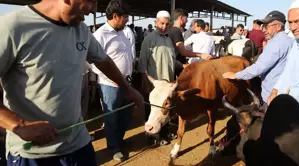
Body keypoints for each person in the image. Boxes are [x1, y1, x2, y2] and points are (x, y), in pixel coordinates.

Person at [0, 0, 144, 165]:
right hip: (33, 153)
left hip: (78, 145)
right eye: (90, 1)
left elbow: (103, 60)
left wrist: (126, 88)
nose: (94, 10)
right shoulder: (13, 26)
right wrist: (19, 125)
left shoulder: (81, 29)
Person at [91, 0, 137, 161]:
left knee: (126, 115)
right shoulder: (100, 35)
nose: (128, 20)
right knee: (111, 117)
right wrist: (112, 78)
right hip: (110, 85)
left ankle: (119, 140)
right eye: (126, 17)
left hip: (127, 83)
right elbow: (93, 64)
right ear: (116, 16)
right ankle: (114, 147)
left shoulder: (122, 33)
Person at [223, 11, 293, 108]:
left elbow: (259, 67)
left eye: (266, 26)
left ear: (278, 27)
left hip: (272, 96)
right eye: (262, 27)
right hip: (285, 93)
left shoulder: (275, 43)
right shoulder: (290, 41)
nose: (263, 30)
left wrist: (236, 75)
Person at [138, 10, 183, 145]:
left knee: (165, 110)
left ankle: (163, 133)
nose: (164, 27)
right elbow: (142, 61)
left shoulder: (169, 40)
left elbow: (172, 60)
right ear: (156, 23)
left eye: (166, 24)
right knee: (152, 110)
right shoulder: (149, 39)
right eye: (161, 23)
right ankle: (151, 135)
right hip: (154, 83)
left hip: (167, 83)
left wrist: (183, 65)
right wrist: (144, 80)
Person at [167, 8, 212, 75]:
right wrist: (201, 55)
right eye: (186, 18)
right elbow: (183, 52)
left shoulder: (171, 30)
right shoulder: (176, 31)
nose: (187, 21)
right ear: (181, 18)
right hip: (177, 67)